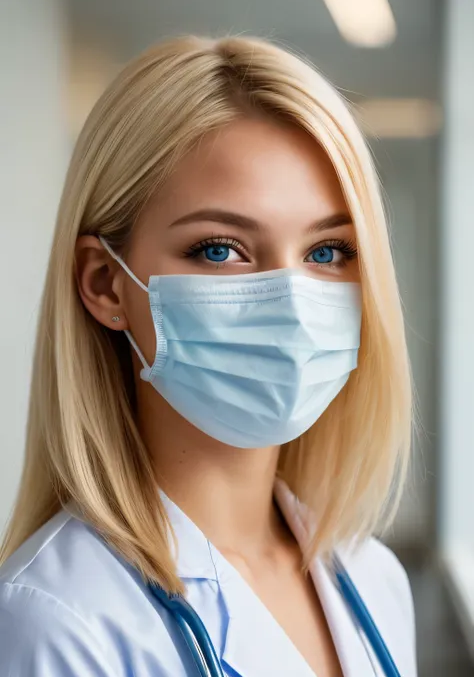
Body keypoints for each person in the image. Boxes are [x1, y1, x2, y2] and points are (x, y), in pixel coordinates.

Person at [0, 35, 416, 676]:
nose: (293, 301)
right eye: (221, 248)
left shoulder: (373, 578)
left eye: (327, 252)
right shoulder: (58, 619)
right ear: (105, 284)